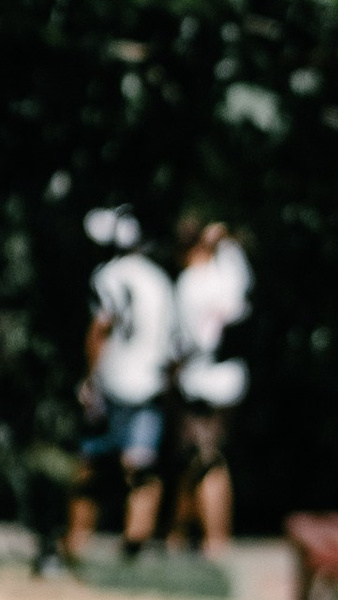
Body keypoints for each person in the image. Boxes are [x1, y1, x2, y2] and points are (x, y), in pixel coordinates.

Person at [68, 205, 175, 559]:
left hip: (113, 379)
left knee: (91, 463)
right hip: (149, 381)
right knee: (141, 466)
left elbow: (100, 328)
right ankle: (135, 543)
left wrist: (89, 377)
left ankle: (77, 540)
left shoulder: (108, 275)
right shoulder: (160, 279)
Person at [169, 215, 251, 551]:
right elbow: (240, 272)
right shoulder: (227, 275)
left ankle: (216, 540)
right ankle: (181, 533)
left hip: (201, 381)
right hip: (231, 379)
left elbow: (188, 342)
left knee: (207, 459)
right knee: (196, 458)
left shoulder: (190, 283)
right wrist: (224, 239)